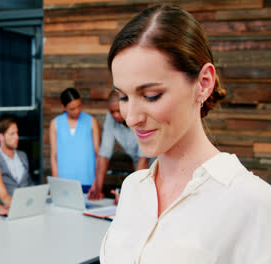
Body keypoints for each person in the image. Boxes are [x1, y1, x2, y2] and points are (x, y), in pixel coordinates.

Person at [100, 4, 271, 263]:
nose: (131, 118)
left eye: (151, 95)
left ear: (203, 84)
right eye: (123, 96)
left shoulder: (252, 202)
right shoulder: (133, 188)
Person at [88, 90, 150, 201]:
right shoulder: (111, 118)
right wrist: (98, 188)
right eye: (112, 112)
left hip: (155, 166)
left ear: (126, 105)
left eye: (118, 111)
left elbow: (143, 160)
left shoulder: (140, 116)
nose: (115, 115)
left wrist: (128, 196)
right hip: (138, 171)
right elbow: (103, 155)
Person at [49, 88, 100, 193]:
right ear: (63, 107)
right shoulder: (55, 123)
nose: (77, 111)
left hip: (88, 182)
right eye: (72, 109)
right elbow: (54, 156)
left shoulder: (91, 121)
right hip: (64, 183)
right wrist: (56, 184)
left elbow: (98, 154)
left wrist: (97, 182)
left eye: (79, 106)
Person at [0, 116, 33, 196]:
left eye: (17, 133)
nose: (16, 137)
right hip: (5, 206)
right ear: (1, 137)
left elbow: (29, 182)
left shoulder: (23, 156)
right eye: (12, 134)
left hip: (26, 203)